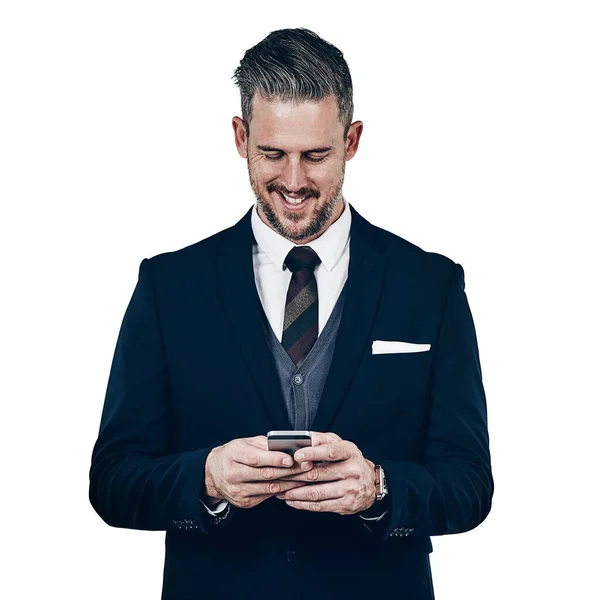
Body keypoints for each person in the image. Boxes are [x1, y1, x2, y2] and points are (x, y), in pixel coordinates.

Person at [89, 27, 493, 599]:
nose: (295, 182)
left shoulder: (431, 286)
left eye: (317, 155)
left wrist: (379, 488)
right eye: (273, 153)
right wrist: (206, 478)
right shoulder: (169, 286)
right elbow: (113, 480)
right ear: (239, 136)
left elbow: (470, 484)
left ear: (352, 140)